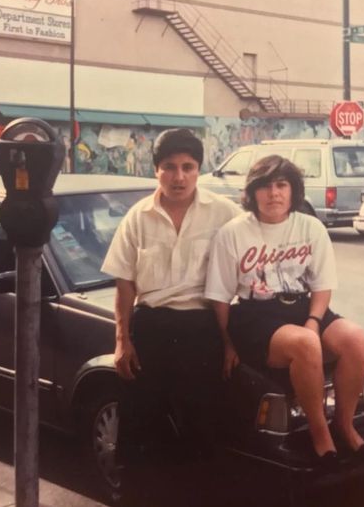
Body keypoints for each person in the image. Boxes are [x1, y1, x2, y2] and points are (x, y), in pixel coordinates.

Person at [205, 154, 364, 469]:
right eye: (265, 186)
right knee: (306, 344)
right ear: (252, 193)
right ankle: (321, 436)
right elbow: (220, 296)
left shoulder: (310, 227)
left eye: (281, 185)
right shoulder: (234, 232)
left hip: (304, 307)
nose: (274, 193)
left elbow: (322, 285)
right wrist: (226, 343)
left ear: (294, 191)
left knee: (356, 339)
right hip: (255, 314)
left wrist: (313, 320)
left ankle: (344, 425)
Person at [101, 128, 239, 505]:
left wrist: (230, 342)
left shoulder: (225, 213)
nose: (179, 177)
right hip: (151, 328)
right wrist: (122, 341)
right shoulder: (137, 218)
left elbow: (242, 274)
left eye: (188, 167)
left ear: (199, 170)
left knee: (201, 429)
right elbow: (125, 285)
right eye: (169, 167)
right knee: (139, 429)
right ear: (156, 170)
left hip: (201, 329)